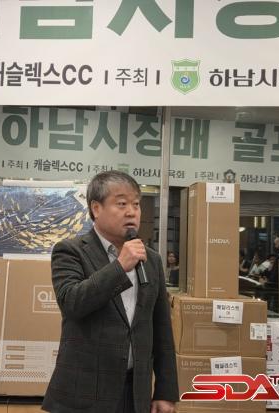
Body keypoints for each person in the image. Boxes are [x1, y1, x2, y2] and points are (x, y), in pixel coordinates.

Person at [42, 171, 178, 413]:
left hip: (135, 393)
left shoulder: (151, 260)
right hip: (84, 393)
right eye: (122, 204)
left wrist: (165, 391)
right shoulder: (71, 251)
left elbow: (161, 329)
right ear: (96, 208)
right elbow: (72, 303)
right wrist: (119, 267)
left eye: (136, 204)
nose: (132, 212)